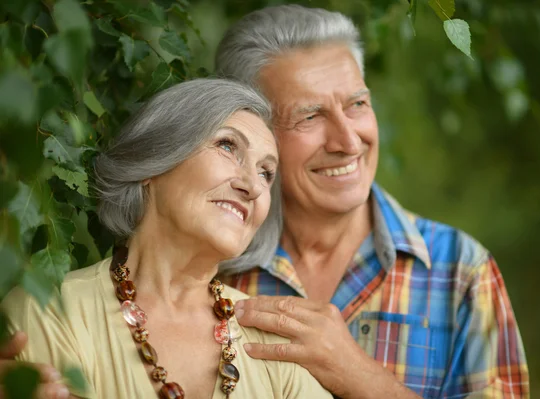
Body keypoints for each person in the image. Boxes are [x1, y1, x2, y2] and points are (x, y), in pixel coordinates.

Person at [213, 5, 530, 399]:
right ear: (252, 130)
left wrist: (359, 376)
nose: (348, 142)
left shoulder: (461, 271)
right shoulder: (213, 269)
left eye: (357, 105)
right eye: (310, 116)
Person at [0, 78, 331, 399]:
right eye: (227, 145)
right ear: (152, 163)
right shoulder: (49, 311)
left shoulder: (274, 339)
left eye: (266, 173)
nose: (254, 186)